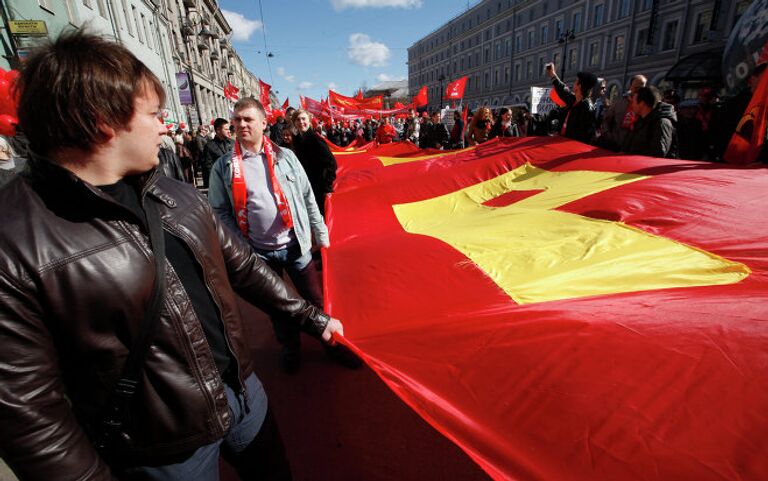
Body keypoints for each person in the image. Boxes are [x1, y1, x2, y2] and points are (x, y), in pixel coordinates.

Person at [0, 31, 345, 481]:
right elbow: (28, 414)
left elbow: (242, 267)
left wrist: (313, 319)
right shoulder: (14, 243)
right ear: (104, 122)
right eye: (154, 114)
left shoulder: (177, 193)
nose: (165, 125)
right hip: (160, 449)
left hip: (243, 398)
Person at [208, 98, 359, 374]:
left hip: (296, 244)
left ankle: (332, 344)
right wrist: (241, 245)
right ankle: (290, 348)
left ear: (264, 124)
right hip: (258, 252)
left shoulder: (286, 158)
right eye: (237, 119)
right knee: (279, 308)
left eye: (248, 119)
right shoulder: (223, 167)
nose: (240, 124)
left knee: (314, 299)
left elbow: (307, 198)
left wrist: (320, 234)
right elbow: (219, 211)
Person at [291, 109, 338, 216]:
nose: (301, 122)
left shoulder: (315, 139)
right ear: (294, 123)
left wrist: (326, 186)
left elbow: (332, 163)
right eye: (298, 120)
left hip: (318, 187)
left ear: (309, 121)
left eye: (303, 119)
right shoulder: (297, 140)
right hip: (305, 185)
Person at [545, 63, 597, 144]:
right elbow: (563, 90)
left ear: (580, 85)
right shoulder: (573, 100)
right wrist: (552, 74)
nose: (574, 83)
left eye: (576, 81)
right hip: (562, 141)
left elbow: (587, 135)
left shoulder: (587, 108)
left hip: (572, 146)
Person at [621, 86, 678, 158]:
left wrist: (631, 155)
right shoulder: (640, 120)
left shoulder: (662, 123)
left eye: (633, 102)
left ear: (642, 103)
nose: (631, 105)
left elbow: (658, 152)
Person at [600, 74, 647, 151]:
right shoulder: (619, 102)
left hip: (634, 149)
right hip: (614, 145)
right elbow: (606, 120)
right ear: (630, 87)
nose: (638, 91)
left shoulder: (646, 105)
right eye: (635, 88)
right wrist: (609, 135)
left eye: (641, 88)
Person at [200, 117, 234, 188]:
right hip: (220, 183)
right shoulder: (209, 146)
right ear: (218, 130)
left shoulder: (232, 143)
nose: (229, 131)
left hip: (234, 181)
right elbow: (207, 167)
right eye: (226, 129)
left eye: (229, 129)